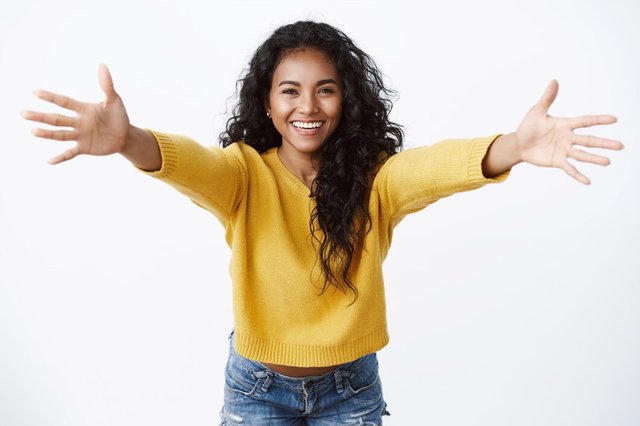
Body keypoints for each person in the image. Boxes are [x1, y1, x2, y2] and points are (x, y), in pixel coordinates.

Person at [21, 20, 622, 426]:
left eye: (325, 91)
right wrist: (128, 140)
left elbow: (431, 169)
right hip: (258, 389)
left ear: (346, 101)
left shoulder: (374, 182)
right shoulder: (242, 177)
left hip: (350, 391)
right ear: (267, 103)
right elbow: (187, 164)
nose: (307, 107)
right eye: (290, 92)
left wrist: (514, 146)